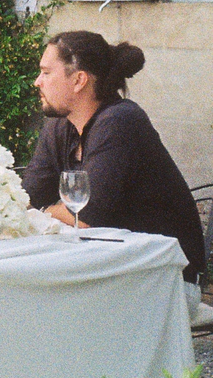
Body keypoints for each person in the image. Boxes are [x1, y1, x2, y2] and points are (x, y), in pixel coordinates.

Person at [23, 32, 206, 304]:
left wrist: (45, 211)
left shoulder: (120, 121)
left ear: (79, 80)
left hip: (165, 279)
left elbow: (85, 216)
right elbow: (28, 197)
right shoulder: (59, 126)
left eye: (46, 73)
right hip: (107, 269)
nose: (37, 81)